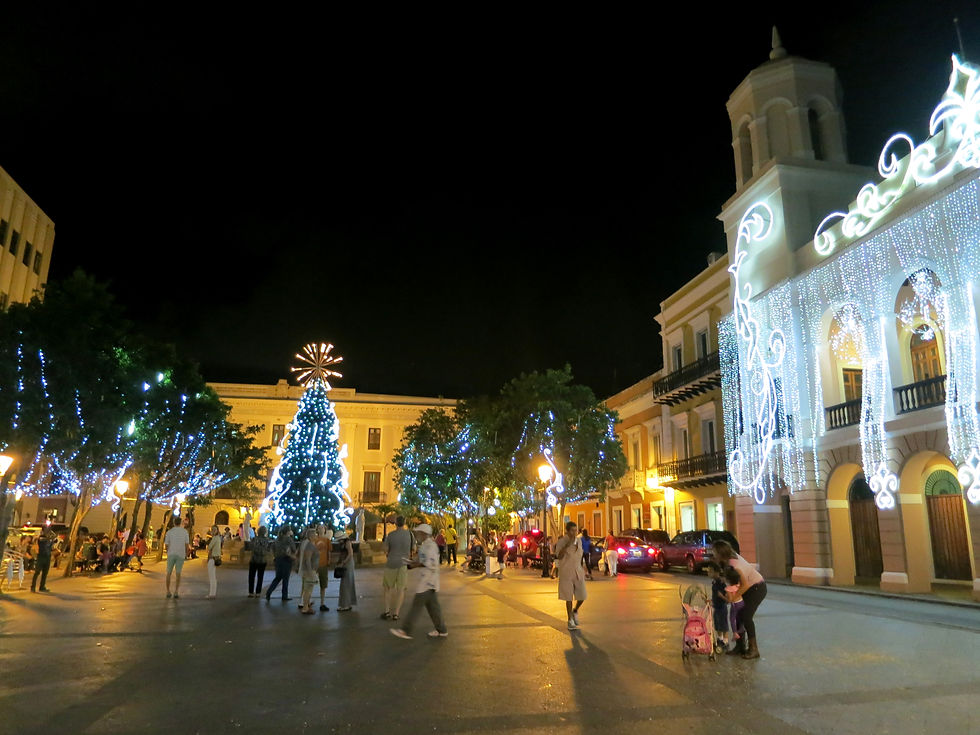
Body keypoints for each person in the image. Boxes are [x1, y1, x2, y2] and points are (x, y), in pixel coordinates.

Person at [390, 524, 448, 639]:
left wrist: (413, 565)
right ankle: (442, 630)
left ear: (424, 534)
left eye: (419, 533)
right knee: (433, 607)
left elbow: (428, 563)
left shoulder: (431, 546)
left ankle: (406, 630)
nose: (417, 535)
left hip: (428, 581)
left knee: (416, 606)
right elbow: (421, 559)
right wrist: (411, 562)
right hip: (428, 581)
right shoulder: (425, 545)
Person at [713, 540, 765, 659]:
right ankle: (740, 647)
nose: (713, 554)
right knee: (738, 616)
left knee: (746, 616)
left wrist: (734, 598)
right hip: (749, 588)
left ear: (721, 553)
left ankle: (753, 648)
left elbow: (745, 584)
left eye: (715, 552)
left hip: (756, 588)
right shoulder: (729, 560)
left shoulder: (734, 565)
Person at [555, 521, 587, 630]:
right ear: (567, 531)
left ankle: (575, 610)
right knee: (568, 597)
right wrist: (567, 545)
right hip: (566, 572)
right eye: (572, 530)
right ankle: (570, 620)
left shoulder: (579, 541)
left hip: (578, 571)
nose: (574, 533)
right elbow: (558, 556)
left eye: (575, 530)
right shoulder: (561, 541)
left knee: (582, 595)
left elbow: (580, 555)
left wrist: (584, 568)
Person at [381, 516, 413, 620]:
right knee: (401, 589)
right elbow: (414, 549)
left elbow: (385, 550)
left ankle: (386, 611)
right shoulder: (410, 535)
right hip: (403, 564)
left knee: (387, 588)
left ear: (395, 523)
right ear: (404, 523)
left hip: (391, 563)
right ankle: (396, 614)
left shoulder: (390, 535)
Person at [265, 525, 297, 602]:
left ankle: (269, 592)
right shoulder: (288, 539)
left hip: (278, 560)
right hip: (286, 560)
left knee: (278, 577)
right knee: (285, 578)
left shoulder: (277, 539)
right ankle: (284, 595)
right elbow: (293, 549)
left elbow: (272, 548)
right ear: (288, 531)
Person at [704, 562, 729, 649]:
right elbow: (715, 594)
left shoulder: (721, 582)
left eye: (710, 571)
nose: (708, 573)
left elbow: (727, 595)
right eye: (708, 571)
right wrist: (710, 600)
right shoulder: (714, 582)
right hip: (716, 606)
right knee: (717, 623)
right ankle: (720, 638)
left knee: (723, 624)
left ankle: (725, 641)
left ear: (716, 572)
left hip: (722, 606)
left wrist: (722, 596)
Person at [164, 517, 191, 599]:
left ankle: (168, 591)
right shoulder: (185, 532)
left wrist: (168, 551)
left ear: (173, 522)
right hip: (180, 554)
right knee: (178, 573)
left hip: (171, 554)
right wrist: (186, 554)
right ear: (181, 523)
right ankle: (176, 591)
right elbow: (187, 544)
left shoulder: (169, 532)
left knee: (169, 573)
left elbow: (166, 544)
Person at [723, 566, 746, 654]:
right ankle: (741, 629)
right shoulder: (738, 585)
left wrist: (723, 597)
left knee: (732, 619)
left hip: (735, 605)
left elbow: (730, 599)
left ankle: (735, 633)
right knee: (741, 619)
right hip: (742, 603)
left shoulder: (728, 589)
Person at [298, 527, 320, 615]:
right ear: (311, 536)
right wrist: (310, 571)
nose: (317, 536)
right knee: (307, 589)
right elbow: (307, 559)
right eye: (315, 534)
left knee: (309, 589)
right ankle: (305, 607)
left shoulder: (312, 545)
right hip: (309, 571)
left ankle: (306, 606)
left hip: (311, 570)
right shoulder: (310, 546)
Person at [248, 526, 272, 597]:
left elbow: (250, 547)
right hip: (262, 560)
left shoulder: (254, 539)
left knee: (251, 576)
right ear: (265, 532)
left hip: (254, 559)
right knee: (260, 577)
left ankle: (251, 592)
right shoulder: (267, 540)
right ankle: (258, 592)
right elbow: (268, 550)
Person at [336, 530, 357, 611]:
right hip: (346, 563)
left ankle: (345, 604)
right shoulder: (343, 543)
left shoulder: (347, 543)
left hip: (348, 564)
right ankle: (347, 603)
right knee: (346, 583)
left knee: (346, 584)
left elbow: (350, 554)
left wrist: (343, 562)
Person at [314, 525, 333, 611]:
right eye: (320, 528)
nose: (321, 529)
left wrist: (329, 560)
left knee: (323, 584)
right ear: (317, 530)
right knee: (310, 583)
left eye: (323, 528)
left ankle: (322, 603)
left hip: (323, 564)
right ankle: (306, 601)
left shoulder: (327, 540)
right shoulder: (314, 539)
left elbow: (329, 551)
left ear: (325, 530)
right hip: (315, 564)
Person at [206, 524, 222, 599]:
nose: (212, 531)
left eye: (214, 530)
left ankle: (212, 594)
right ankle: (213, 593)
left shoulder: (215, 538)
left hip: (212, 559)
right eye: (212, 530)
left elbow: (209, 547)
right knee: (213, 576)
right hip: (215, 558)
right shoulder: (218, 538)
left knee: (212, 577)